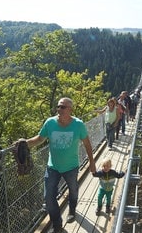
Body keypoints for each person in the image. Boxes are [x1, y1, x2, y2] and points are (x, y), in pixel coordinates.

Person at [22, 97, 96, 233]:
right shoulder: (50, 123)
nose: (59, 109)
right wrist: (24, 143)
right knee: (49, 198)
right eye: (58, 106)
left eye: (63, 107)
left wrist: (92, 162)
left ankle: (72, 210)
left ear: (70, 109)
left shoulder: (78, 125)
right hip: (53, 167)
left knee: (73, 191)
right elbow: (39, 139)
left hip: (71, 167)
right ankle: (57, 226)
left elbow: (87, 144)